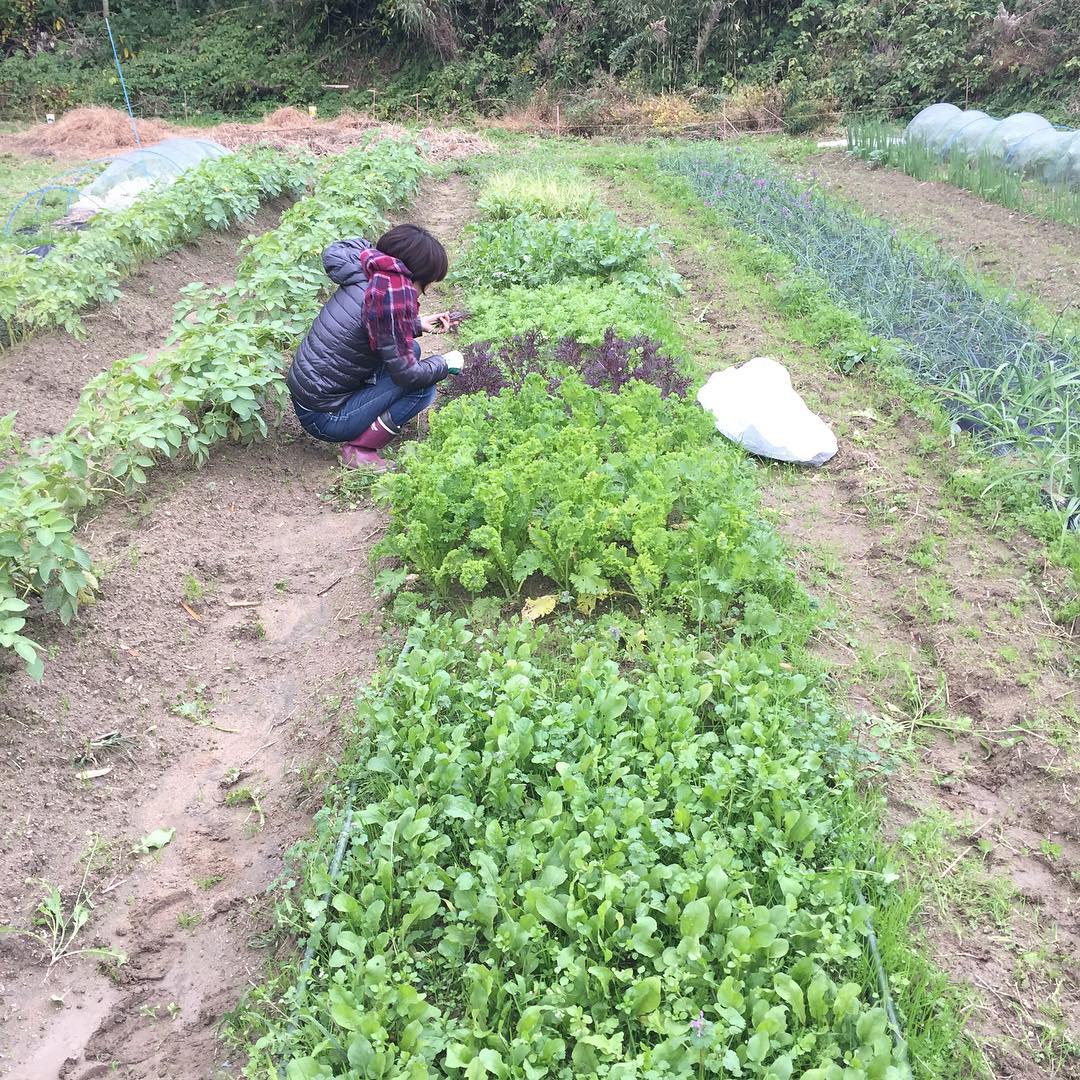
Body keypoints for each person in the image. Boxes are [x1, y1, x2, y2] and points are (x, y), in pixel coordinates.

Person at [286, 224, 464, 469]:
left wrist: (416, 325)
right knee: (422, 388)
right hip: (324, 418)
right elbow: (409, 376)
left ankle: (367, 418)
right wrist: (446, 363)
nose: (425, 293)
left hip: (310, 398)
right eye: (427, 284)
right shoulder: (389, 301)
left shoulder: (371, 278)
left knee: (411, 351)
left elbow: (374, 327)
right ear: (414, 277)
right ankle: (359, 450)